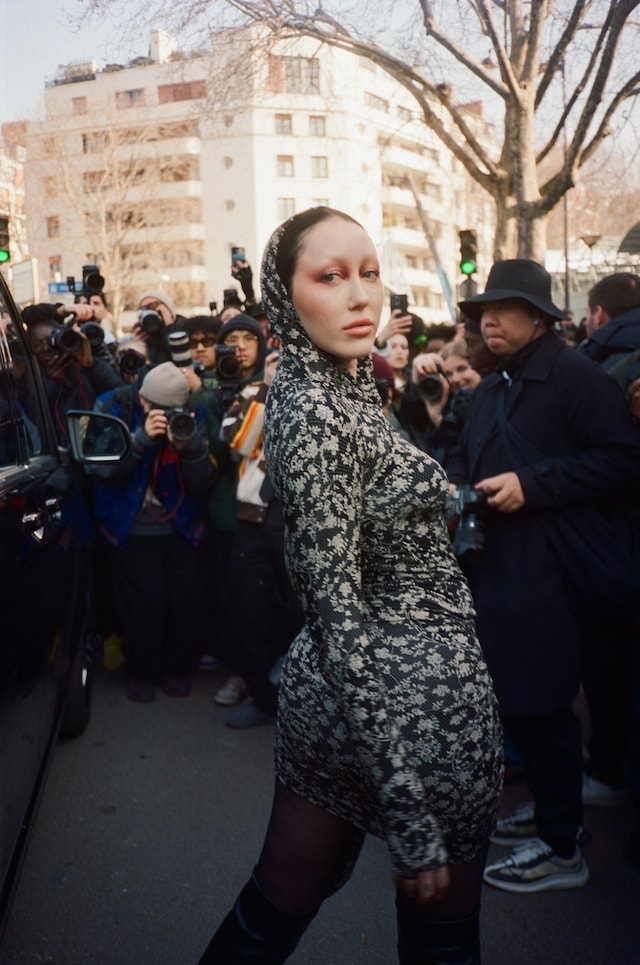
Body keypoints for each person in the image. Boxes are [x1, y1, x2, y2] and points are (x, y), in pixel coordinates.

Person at [196, 207, 503, 964]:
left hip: (370, 711)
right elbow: (337, 617)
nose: (361, 295)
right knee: (440, 940)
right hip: (405, 722)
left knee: (281, 898)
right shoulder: (315, 412)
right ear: (283, 299)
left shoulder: (338, 383)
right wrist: (405, 801)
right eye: (330, 277)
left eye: (368, 271)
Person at [449, 259, 640, 893]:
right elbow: (471, 458)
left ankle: (563, 847)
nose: (489, 321)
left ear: (541, 318)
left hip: (552, 571)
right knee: (523, 701)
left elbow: (622, 459)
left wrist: (532, 485)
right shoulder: (495, 382)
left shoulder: (574, 375)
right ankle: (558, 811)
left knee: (541, 702)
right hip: (503, 567)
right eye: (483, 311)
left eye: (503, 310)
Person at [90, 362, 217, 702]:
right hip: (130, 526)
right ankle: (141, 673)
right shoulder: (112, 406)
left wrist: (190, 447)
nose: (165, 416)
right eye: (156, 409)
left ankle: (175, 669)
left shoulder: (193, 413)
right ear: (142, 398)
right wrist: (140, 441)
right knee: (141, 606)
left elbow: (204, 481)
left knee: (185, 601)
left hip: (182, 526)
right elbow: (98, 469)